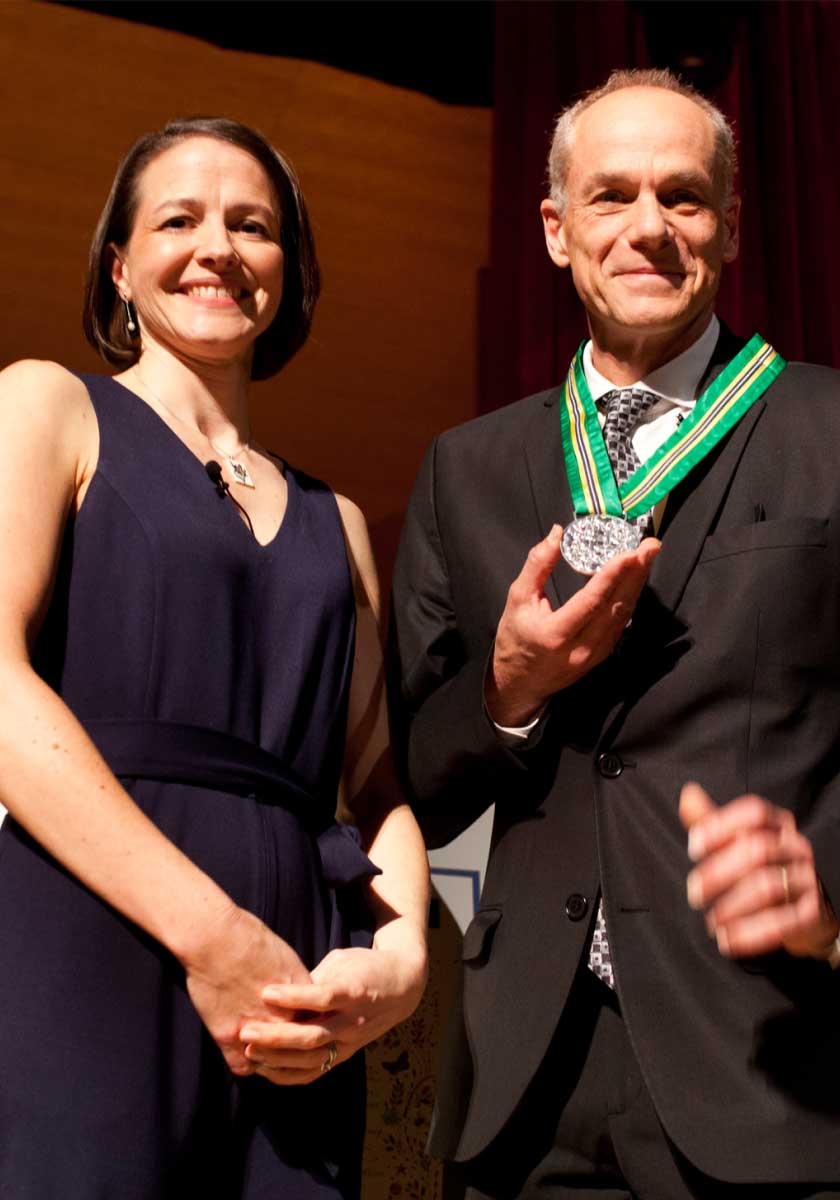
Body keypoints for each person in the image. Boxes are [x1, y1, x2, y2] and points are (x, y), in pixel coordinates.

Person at [389, 69, 840, 1199]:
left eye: (684, 199)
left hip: (773, 1054)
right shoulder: (468, 467)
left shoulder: (833, 431)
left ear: (730, 229)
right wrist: (508, 689)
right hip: (523, 1075)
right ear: (555, 230)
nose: (649, 228)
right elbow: (423, 775)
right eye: (612, 197)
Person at [0, 116, 429, 1198]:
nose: (218, 247)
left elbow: (378, 787)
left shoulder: (337, 520)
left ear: (289, 268)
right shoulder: (48, 405)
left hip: (294, 1000)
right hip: (90, 947)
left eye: (253, 224)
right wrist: (211, 937)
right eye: (178, 219)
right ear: (119, 264)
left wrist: (403, 963)